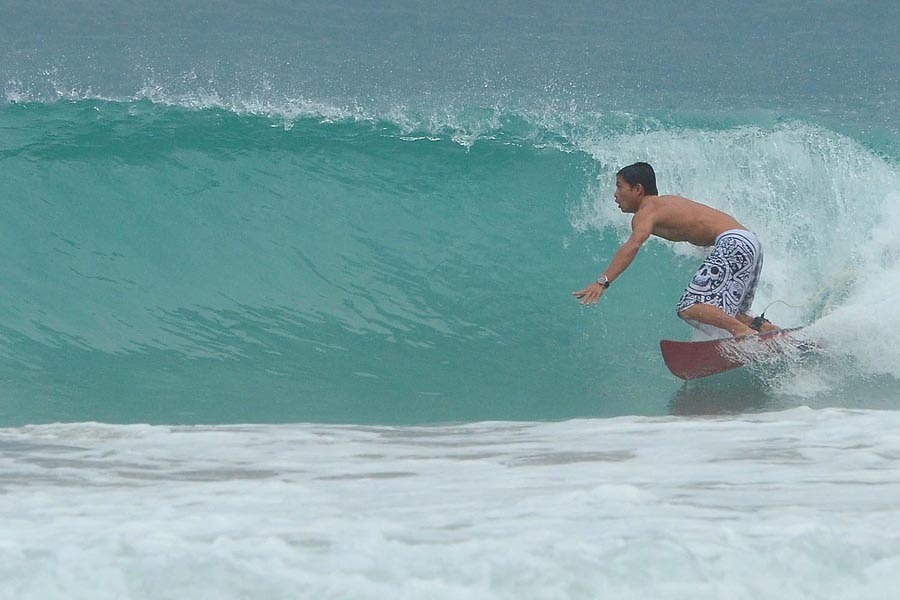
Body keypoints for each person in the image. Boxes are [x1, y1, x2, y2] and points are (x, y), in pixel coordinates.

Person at [572, 162, 778, 337]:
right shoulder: (666, 204)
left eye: (619, 187)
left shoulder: (647, 211)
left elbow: (633, 244)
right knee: (733, 314)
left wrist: (602, 282)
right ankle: (766, 330)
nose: (616, 195)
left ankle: (744, 334)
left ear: (637, 189)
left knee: (690, 306)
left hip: (733, 242)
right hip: (749, 242)